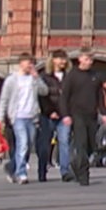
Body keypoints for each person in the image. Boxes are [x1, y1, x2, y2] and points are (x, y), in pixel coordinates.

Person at [0, 53, 46, 184]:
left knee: (27, 146)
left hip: (32, 117)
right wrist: (0, 118)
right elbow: (4, 99)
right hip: (18, 116)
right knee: (22, 143)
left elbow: (44, 91)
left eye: (32, 63)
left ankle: (11, 166)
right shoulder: (12, 80)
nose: (30, 65)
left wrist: (37, 78)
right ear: (21, 63)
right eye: (28, 62)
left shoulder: (33, 79)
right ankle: (21, 173)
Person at [59, 50, 103, 186]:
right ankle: (84, 175)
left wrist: (104, 113)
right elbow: (64, 97)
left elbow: (99, 96)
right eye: (86, 59)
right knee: (81, 144)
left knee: (91, 145)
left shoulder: (95, 76)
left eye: (90, 60)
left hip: (92, 115)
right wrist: (65, 115)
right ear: (80, 59)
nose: (89, 62)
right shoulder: (72, 76)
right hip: (77, 114)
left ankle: (75, 164)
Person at [38, 50, 71, 182]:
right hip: (47, 115)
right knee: (45, 144)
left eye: (64, 59)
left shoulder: (69, 77)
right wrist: (50, 111)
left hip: (64, 115)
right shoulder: (45, 77)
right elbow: (42, 97)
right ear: (53, 60)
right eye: (59, 59)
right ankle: (42, 171)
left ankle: (65, 172)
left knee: (64, 142)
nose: (62, 61)